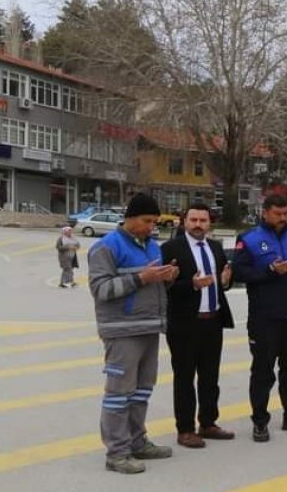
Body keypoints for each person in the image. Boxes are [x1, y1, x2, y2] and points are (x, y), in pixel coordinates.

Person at [88, 193, 178, 474]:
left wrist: (167, 279)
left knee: (141, 392)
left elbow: (156, 289)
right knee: (118, 394)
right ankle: (117, 453)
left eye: (155, 222)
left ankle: (137, 442)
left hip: (150, 327)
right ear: (129, 218)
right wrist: (142, 278)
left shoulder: (153, 246)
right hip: (121, 331)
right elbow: (101, 290)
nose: (151, 227)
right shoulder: (106, 247)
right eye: (146, 221)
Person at [231, 194, 287, 442]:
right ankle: (260, 421)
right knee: (263, 371)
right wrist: (270, 270)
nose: (283, 218)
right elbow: (239, 271)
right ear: (265, 213)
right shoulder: (249, 239)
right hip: (264, 318)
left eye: (286, 213)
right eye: (278, 214)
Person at [161, 203, 236, 448]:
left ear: (209, 224)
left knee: (210, 377)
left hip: (212, 321)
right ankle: (185, 429)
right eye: (193, 220)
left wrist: (226, 282)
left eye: (203, 221)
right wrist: (191, 285)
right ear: (184, 222)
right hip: (184, 324)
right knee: (184, 378)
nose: (198, 225)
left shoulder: (215, 247)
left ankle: (208, 422)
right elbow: (164, 288)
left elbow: (223, 280)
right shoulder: (171, 248)